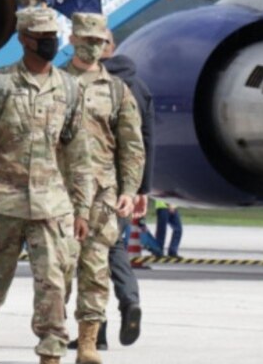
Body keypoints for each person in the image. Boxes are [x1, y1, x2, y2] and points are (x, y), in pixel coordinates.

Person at [0, 5, 94, 364]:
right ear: (24, 39)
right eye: (42, 37)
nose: (50, 43)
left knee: (54, 285)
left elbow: (79, 153)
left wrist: (82, 209)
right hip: (1, 205)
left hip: (52, 206)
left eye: (53, 36)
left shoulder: (69, 88)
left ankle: (51, 353)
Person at [61, 12, 145, 364]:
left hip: (102, 194)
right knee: (56, 272)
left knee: (96, 269)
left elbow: (132, 145)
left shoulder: (117, 90)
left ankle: (88, 343)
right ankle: (53, 333)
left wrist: (130, 189)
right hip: (57, 193)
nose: (92, 46)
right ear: (72, 41)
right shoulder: (53, 84)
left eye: (98, 41)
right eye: (86, 40)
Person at [102, 34, 155, 347]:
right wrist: (142, 189)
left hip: (88, 183)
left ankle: (95, 332)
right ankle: (129, 300)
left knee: (89, 254)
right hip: (126, 185)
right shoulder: (140, 87)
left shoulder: (87, 84)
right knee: (113, 246)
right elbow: (147, 140)